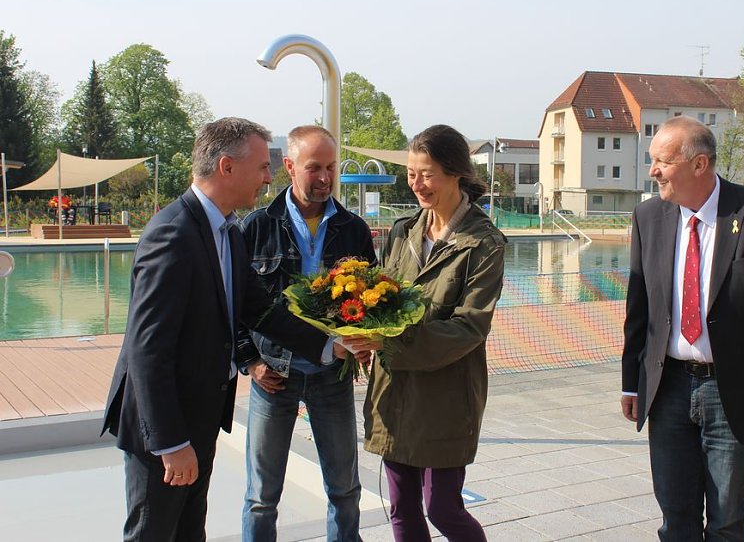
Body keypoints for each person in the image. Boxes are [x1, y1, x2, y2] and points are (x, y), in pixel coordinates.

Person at [102, 117, 339, 542]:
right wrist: (171, 443)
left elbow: (260, 310)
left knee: (190, 531)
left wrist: (329, 346)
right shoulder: (173, 234)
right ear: (227, 167)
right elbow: (147, 350)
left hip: (201, 415)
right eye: (263, 167)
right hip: (165, 426)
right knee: (153, 533)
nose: (269, 179)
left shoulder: (228, 232)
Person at [621, 116, 744, 540]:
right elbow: (640, 312)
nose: (652, 171)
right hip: (667, 387)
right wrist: (631, 384)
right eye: (652, 161)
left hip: (732, 390)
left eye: (662, 161)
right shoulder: (647, 217)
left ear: (699, 164)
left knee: (727, 521)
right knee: (676, 518)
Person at [363, 124, 507, 542]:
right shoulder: (403, 231)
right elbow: (381, 300)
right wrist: (358, 334)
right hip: (394, 390)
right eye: (411, 173)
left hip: (447, 395)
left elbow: (469, 326)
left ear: (455, 172)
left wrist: (388, 342)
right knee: (401, 509)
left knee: (441, 507)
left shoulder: (483, 242)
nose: (417, 184)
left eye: (426, 173)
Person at [239, 125, 378, 542]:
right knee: (262, 498)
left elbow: (370, 301)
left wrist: (366, 340)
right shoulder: (256, 228)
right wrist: (250, 361)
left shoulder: (353, 229)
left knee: (346, 491)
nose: (324, 177)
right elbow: (235, 306)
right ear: (289, 166)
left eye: (331, 167)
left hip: (331, 378)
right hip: (274, 377)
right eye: (314, 167)